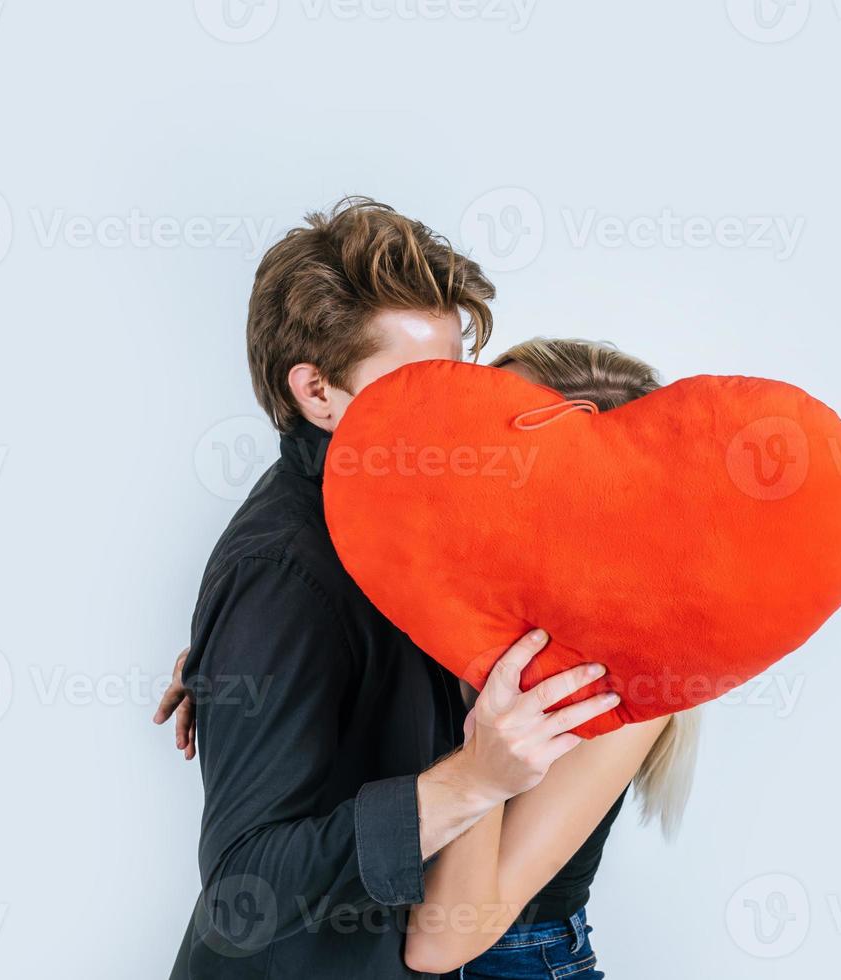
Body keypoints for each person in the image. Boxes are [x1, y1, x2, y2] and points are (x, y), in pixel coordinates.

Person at [155, 199, 620, 979]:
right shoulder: (283, 575)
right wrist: (471, 782)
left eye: (457, 376)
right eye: (415, 385)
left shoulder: (411, 508)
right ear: (317, 393)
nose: (453, 410)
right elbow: (243, 888)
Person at [403, 339, 701, 979]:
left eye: (491, 449)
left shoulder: (627, 683)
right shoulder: (447, 578)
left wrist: (472, 688)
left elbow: (443, 942)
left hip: (515, 962)